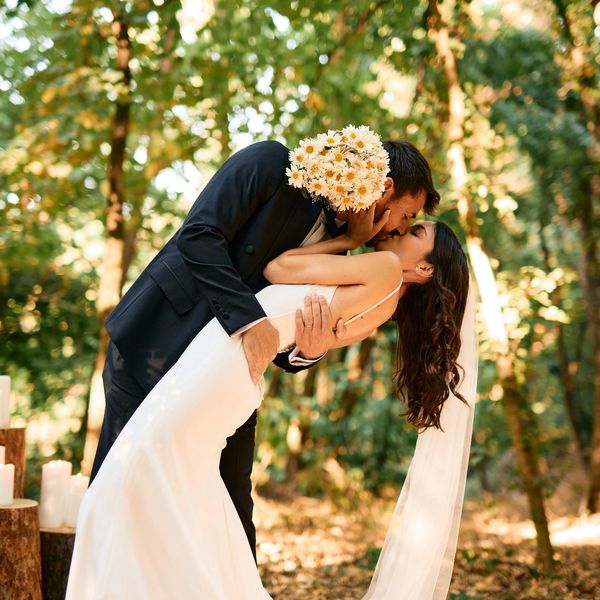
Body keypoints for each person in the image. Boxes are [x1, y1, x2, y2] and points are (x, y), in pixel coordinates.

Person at [66, 214, 477, 599]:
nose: (399, 231)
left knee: (132, 474)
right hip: (232, 368)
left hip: (223, 362)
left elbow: (279, 268)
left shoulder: (384, 268)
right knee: (181, 488)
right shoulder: (381, 310)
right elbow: (306, 342)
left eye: (415, 234)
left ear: (423, 270)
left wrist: (350, 238)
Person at [90, 138, 440, 556]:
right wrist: (250, 322)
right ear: (382, 190)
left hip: (229, 378)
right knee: (120, 487)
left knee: (234, 517)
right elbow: (199, 236)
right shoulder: (272, 164)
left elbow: (285, 334)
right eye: (407, 215)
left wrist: (308, 351)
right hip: (157, 343)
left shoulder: (343, 243)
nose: (400, 228)